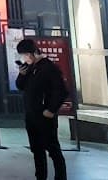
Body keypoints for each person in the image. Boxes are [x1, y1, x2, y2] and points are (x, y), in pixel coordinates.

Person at [15, 37, 68, 180]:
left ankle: (61, 177)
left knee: (52, 149)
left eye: (25, 55)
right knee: (37, 150)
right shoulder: (30, 69)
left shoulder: (49, 68)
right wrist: (22, 74)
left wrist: (51, 110)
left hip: (45, 116)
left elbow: (61, 91)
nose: (24, 58)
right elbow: (20, 86)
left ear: (33, 52)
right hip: (31, 116)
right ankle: (40, 177)